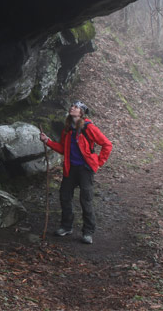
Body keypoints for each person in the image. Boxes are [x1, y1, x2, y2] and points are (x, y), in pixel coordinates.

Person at [40, 100, 113, 244]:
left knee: (85, 199)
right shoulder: (67, 129)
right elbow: (63, 148)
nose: (72, 108)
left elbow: (107, 144)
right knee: (64, 195)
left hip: (85, 169)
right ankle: (66, 226)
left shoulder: (88, 127)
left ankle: (88, 232)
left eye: (76, 107)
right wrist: (47, 141)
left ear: (81, 112)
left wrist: (98, 162)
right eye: (72, 106)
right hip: (71, 168)